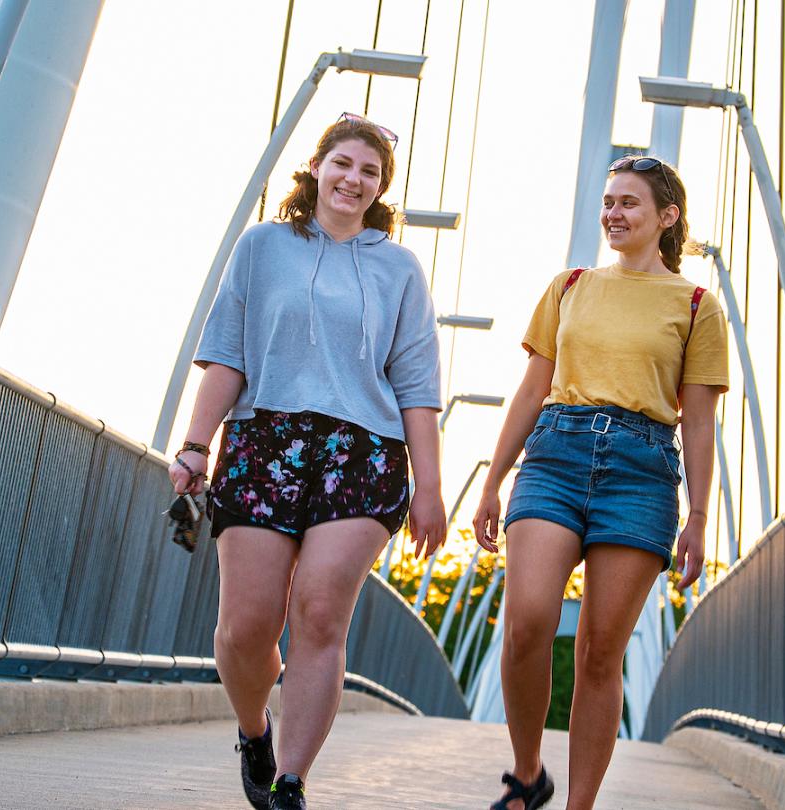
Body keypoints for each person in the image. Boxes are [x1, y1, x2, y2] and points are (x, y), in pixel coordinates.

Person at [169, 113, 448, 810]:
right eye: (344, 164)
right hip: (265, 445)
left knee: (320, 615)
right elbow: (227, 353)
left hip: (363, 457)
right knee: (245, 628)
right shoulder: (263, 246)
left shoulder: (399, 268)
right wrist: (197, 445)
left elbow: (416, 387)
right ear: (317, 168)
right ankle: (253, 729)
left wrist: (430, 488)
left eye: (371, 172)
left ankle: (290, 781)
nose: (354, 180)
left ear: (382, 188)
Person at [469, 155, 726, 810]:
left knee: (601, 652)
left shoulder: (697, 307)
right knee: (527, 621)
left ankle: (579, 805)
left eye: (629, 203)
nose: (613, 213)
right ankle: (528, 776)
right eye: (609, 202)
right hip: (555, 456)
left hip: (641, 473)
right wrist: (493, 481)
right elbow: (531, 390)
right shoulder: (570, 287)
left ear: (666, 217)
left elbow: (698, 421)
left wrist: (699, 516)